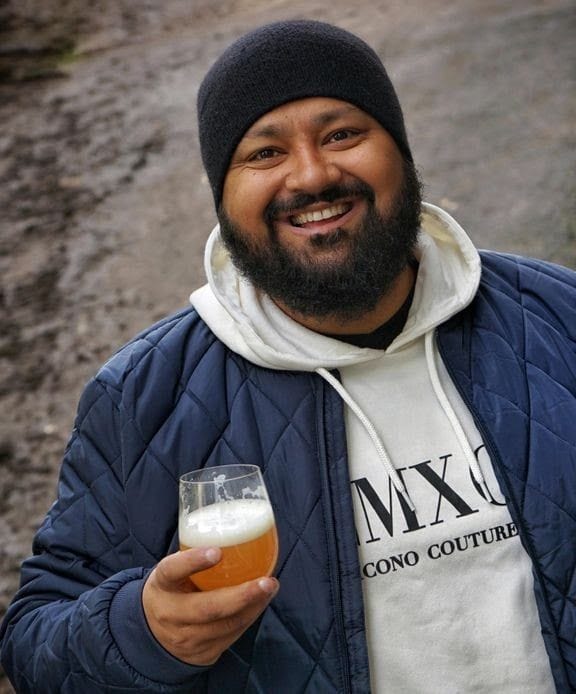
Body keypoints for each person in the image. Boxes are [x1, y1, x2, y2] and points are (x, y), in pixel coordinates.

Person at [1, 19, 575, 694]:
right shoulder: (143, 396)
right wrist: (144, 633)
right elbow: (33, 638)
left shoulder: (557, 317)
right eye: (265, 152)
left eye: (342, 135)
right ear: (223, 197)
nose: (313, 175)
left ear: (401, 152)